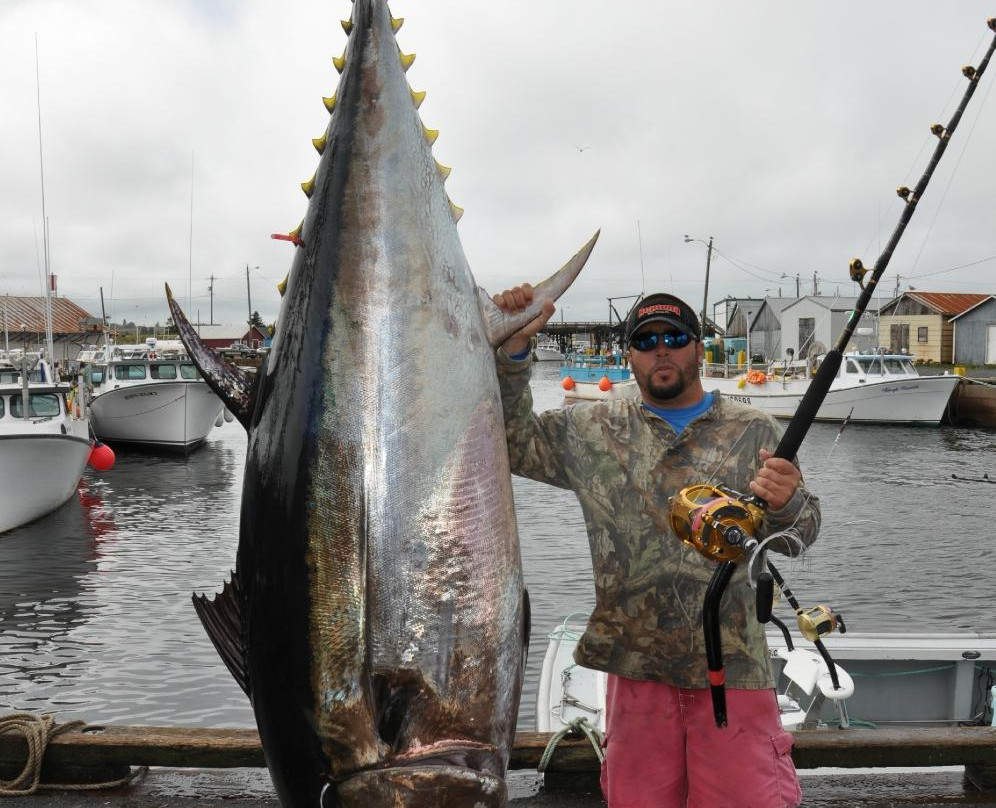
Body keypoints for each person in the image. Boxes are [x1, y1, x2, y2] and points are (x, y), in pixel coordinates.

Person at [494, 286, 820, 808]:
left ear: (697, 347)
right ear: (630, 354)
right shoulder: (591, 427)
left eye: (675, 337)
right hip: (635, 669)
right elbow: (510, 442)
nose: (661, 349)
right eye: (646, 340)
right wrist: (513, 355)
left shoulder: (753, 428)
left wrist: (786, 504)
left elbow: (800, 535)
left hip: (731, 669)